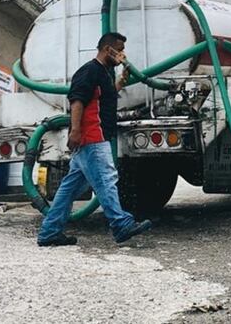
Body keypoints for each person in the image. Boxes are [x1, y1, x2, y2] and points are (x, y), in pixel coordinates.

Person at [37, 31, 152, 247]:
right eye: (120, 50)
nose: (123, 55)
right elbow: (77, 101)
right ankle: (120, 224)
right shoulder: (89, 71)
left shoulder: (104, 73)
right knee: (107, 179)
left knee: (69, 188)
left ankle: (49, 232)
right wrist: (75, 131)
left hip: (93, 137)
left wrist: (120, 83)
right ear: (108, 49)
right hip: (92, 135)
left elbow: (103, 97)